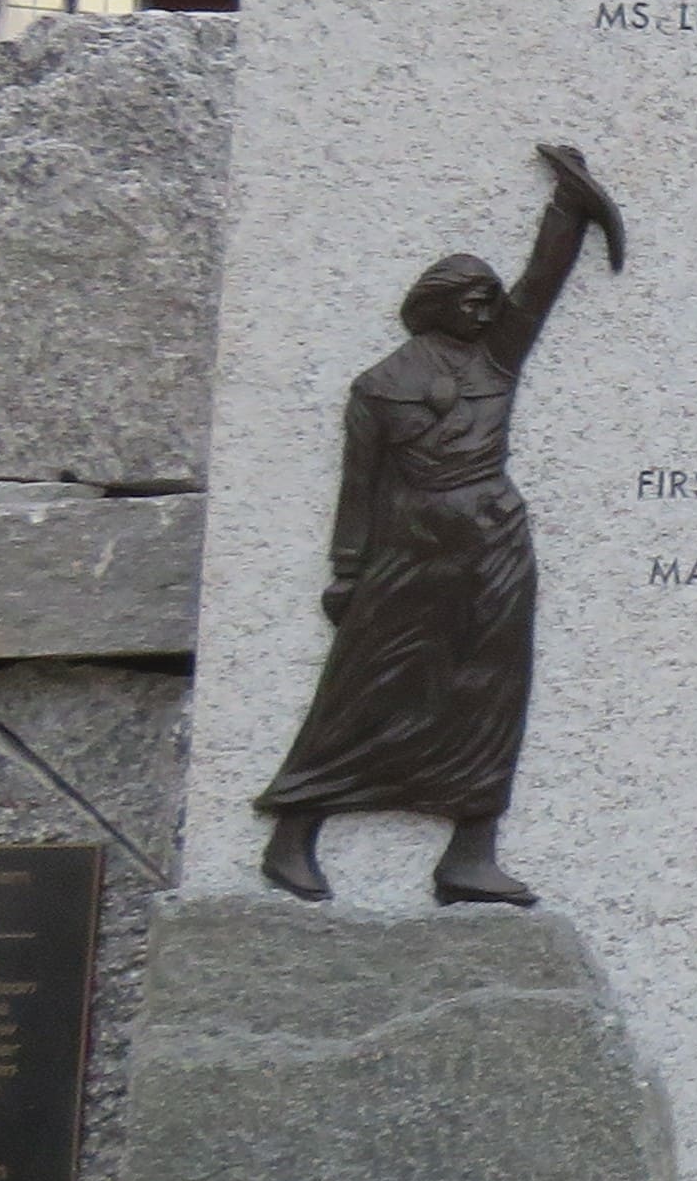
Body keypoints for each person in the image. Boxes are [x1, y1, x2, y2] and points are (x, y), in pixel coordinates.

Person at [256, 142, 625, 905]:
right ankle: (293, 831)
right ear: (436, 302)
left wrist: (567, 208)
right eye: (474, 299)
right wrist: (347, 572)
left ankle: (469, 852)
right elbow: (358, 489)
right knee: (366, 687)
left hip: (493, 547)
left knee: (491, 691)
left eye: (492, 300)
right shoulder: (377, 388)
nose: (490, 310)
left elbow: (540, 286)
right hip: (411, 551)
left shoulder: (495, 361)